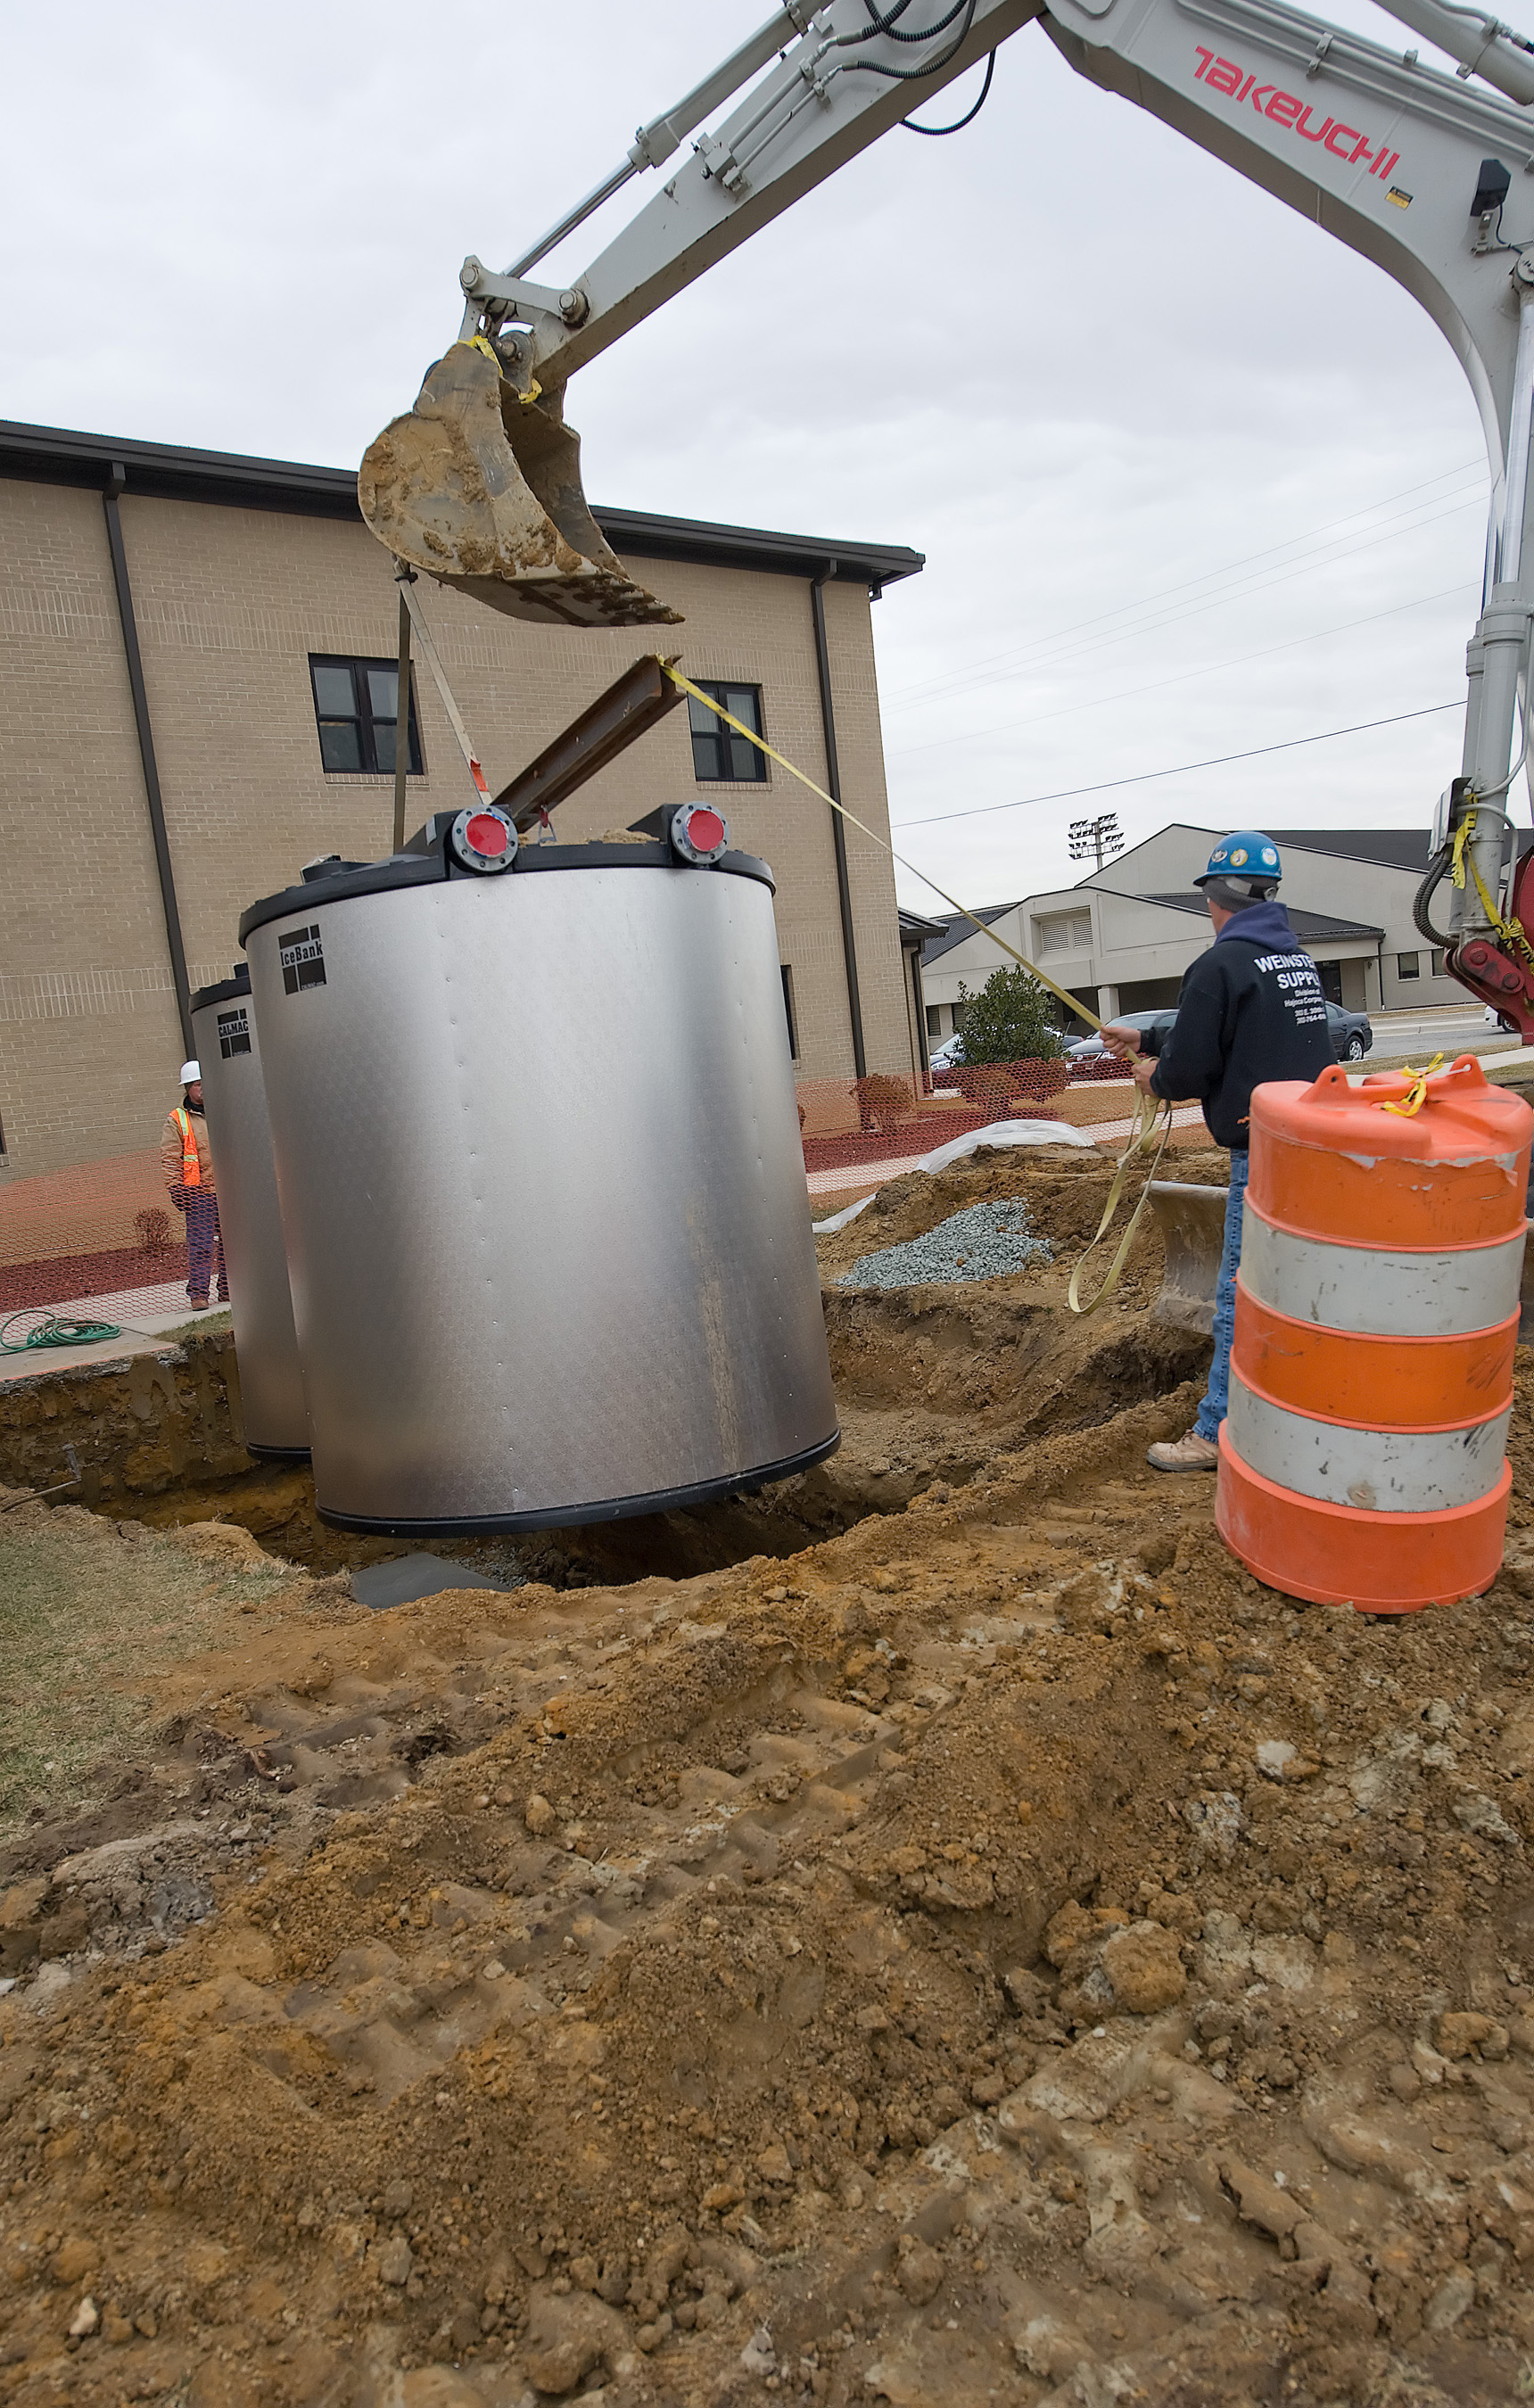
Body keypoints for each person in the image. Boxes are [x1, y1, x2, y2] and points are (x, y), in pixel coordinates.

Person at [1104, 832, 1334, 1473]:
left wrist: (1157, 1077)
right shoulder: (1295, 961)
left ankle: (1217, 1430)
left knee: (1240, 1293)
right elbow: (1241, 1029)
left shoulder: (1219, 964)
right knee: (1291, 1286)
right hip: (1314, 1144)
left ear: (1214, 896)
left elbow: (1192, 1066)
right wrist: (1149, 1035)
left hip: (1261, 1152)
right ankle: (1294, 1407)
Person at [161, 1059, 227, 1311]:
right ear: (188, 1088)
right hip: (198, 1193)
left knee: (233, 1245)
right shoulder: (177, 1120)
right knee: (201, 1245)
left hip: (229, 1191)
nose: (203, 1089)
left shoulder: (225, 1111)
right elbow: (170, 1157)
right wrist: (175, 1187)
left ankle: (229, 1289)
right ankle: (199, 1294)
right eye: (198, 1084)